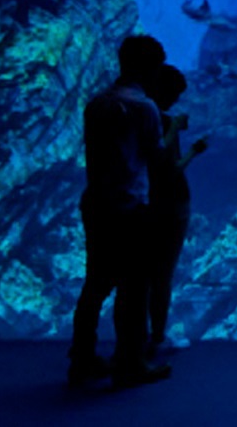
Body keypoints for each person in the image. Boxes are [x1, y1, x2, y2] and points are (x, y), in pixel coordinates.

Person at [68, 33, 172, 388]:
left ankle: (81, 358)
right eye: (157, 68)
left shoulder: (97, 103)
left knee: (95, 284)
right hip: (130, 206)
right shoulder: (144, 107)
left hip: (97, 202)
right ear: (149, 67)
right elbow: (157, 159)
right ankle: (130, 362)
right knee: (134, 287)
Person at [144, 64, 208, 357]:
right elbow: (169, 168)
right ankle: (157, 336)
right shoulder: (163, 121)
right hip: (170, 205)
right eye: (173, 94)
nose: (174, 101)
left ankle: (144, 335)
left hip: (147, 204)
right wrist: (195, 150)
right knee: (162, 276)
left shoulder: (136, 118)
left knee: (146, 275)